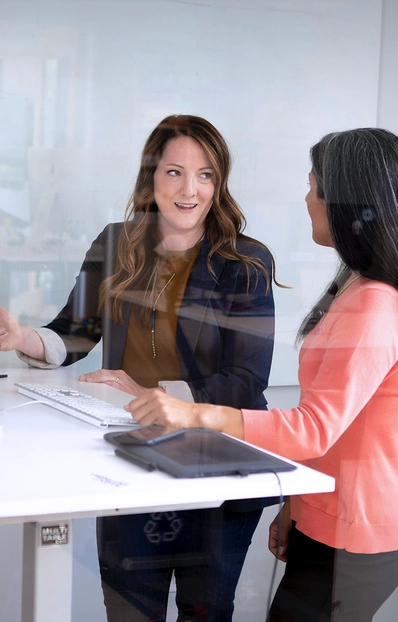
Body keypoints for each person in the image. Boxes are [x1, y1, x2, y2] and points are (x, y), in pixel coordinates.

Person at [0, 114, 278, 621]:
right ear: (151, 178)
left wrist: (158, 393)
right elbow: (76, 332)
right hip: (132, 456)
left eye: (206, 175)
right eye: (174, 172)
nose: (189, 189)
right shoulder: (115, 243)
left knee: (206, 611)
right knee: (130, 609)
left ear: (220, 183)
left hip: (216, 463)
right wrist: (24, 338)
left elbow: (246, 382)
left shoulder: (245, 262)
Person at [126, 127, 398, 621]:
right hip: (326, 511)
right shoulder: (353, 286)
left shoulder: (376, 303)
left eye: (314, 185)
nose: (307, 197)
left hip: (358, 526)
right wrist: (295, 502)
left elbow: (315, 426)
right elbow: (339, 424)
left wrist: (194, 413)